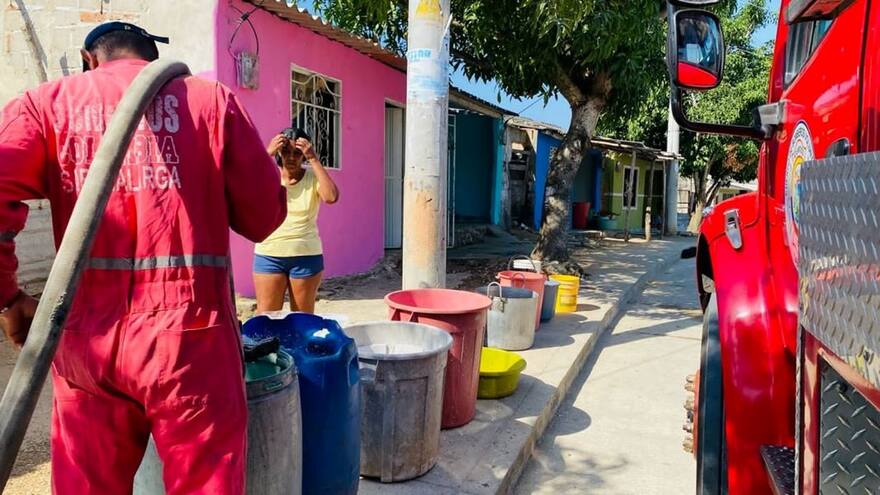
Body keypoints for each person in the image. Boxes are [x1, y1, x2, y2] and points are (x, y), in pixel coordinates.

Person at [0, 22, 286, 494]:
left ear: (89, 57)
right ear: (153, 61)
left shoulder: (47, 105)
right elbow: (263, 219)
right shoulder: (209, 101)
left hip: (86, 341)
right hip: (191, 342)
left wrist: (8, 298)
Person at [253, 127, 339, 315]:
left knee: (302, 321)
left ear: (304, 155)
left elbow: (331, 197)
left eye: (297, 153)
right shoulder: (268, 175)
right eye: (286, 152)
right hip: (269, 255)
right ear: (279, 153)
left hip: (306, 257)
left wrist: (314, 159)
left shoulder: (312, 178)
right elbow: (245, 185)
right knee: (267, 320)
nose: (291, 158)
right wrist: (267, 153)